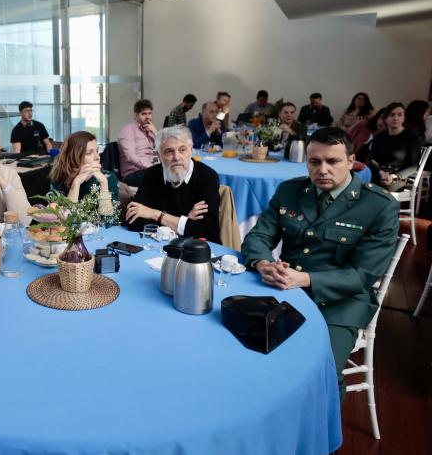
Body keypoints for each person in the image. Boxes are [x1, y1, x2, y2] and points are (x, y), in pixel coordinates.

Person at [241, 127, 399, 401]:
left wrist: (303, 279)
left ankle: (324, 442)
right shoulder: (291, 191)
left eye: (333, 161)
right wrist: (264, 264)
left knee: (321, 371)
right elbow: (258, 237)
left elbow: (362, 276)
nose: (322, 169)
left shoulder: (378, 206)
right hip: (284, 292)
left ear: (351, 162)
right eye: (315, 162)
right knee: (239, 347)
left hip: (340, 304)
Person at [125, 126, 221, 243]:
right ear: (159, 155)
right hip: (159, 247)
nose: (176, 157)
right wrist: (185, 221)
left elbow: (205, 230)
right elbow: (133, 222)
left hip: (199, 251)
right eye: (169, 151)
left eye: (182, 150)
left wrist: (155, 214)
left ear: (191, 150)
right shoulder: (152, 174)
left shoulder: (208, 177)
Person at [50, 131, 119, 204]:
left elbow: (107, 215)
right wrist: (76, 183)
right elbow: (63, 215)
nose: (98, 157)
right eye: (89, 153)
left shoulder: (109, 178)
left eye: (97, 151)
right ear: (73, 157)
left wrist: (104, 183)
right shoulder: (58, 178)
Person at [366, 102, 421, 191]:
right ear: (386, 118)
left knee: (382, 189)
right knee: (361, 186)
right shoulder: (379, 137)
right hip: (378, 173)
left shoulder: (411, 138)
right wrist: (380, 173)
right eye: (392, 115)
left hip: (398, 176)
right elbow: (372, 159)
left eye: (400, 115)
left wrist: (394, 177)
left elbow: (414, 165)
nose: (396, 118)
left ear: (404, 118)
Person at [118, 99, 157, 187]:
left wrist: (156, 133)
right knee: (161, 178)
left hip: (149, 170)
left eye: (149, 113)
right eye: (144, 114)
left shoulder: (150, 130)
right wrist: (152, 169)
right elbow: (130, 157)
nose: (148, 117)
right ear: (136, 115)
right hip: (133, 173)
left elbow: (158, 151)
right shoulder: (127, 130)